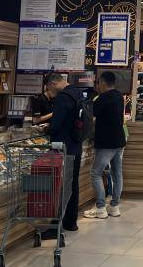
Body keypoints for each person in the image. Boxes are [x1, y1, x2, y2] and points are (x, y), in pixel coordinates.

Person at [84, 71, 126, 219]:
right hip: (119, 140)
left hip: (106, 142)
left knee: (95, 173)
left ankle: (100, 208)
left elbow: (90, 116)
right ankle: (114, 206)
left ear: (102, 82)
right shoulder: (119, 96)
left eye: (98, 82)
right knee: (117, 174)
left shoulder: (102, 98)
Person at [47, 72, 82, 233]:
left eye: (49, 88)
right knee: (72, 184)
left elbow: (56, 124)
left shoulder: (62, 98)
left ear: (53, 83)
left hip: (63, 147)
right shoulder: (77, 92)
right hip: (76, 144)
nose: (49, 92)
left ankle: (57, 224)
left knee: (61, 185)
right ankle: (70, 221)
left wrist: (48, 129)